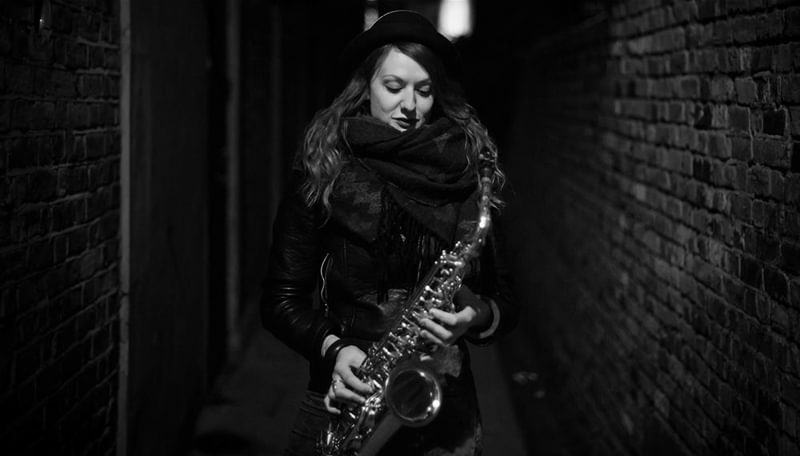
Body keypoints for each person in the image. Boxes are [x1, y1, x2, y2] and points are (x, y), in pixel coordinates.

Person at [261, 10, 517, 456]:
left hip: (443, 405)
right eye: (394, 87)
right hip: (346, 394)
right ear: (365, 89)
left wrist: (475, 316)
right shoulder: (324, 169)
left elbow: (507, 302)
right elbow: (280, 300)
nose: (410, 107)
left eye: (424, 91)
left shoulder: (467, 173)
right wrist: (333, 349)